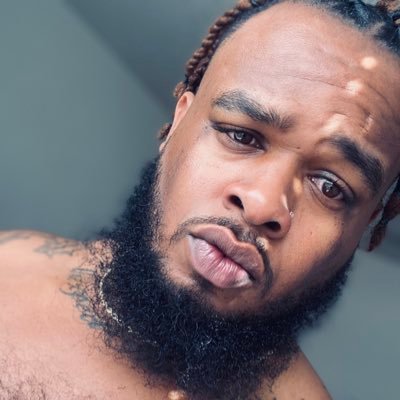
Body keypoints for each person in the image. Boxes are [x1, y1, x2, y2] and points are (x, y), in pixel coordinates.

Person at [1, 0, 399, 398]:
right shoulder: (10, 273)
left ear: (365, 225)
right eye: (241, 136)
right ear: (178, 122)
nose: (261, 205)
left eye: (330, 186)